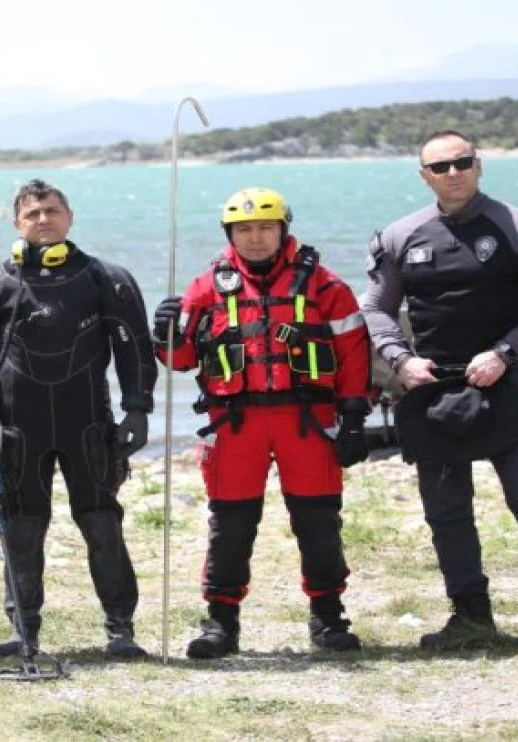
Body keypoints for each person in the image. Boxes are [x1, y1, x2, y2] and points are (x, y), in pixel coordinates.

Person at [360, 129, 518, 652]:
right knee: (446, 512)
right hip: (431, 389)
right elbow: (375, 308)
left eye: (463, 162)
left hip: (504, 381)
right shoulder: (399, 236)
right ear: (424, 176)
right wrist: (400, 359)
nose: (453, 173)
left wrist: (505, 352)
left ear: (479, 165)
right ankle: (471, 617)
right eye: (440, 167)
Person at [154, 187, 372, 658]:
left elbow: (354, 353)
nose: (255, 238)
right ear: (230, 234)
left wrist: (354, 418)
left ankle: (328, 618)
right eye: (245, 229)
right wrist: (163, 331)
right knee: (231, 524)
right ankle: (221, 623)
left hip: (307, 420)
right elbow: (180, 359)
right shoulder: (206, 287)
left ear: (283, 230)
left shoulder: (325, 285)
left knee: (318, 521)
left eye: (265, 228)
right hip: (235, 422)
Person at [0, 179, 158, 659]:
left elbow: (135, 348)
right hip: (20, 427)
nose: (43, 219)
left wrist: (137, 408)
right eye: (32, 213)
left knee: (102, 524)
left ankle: (120, 630)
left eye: (52, 211)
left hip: (89, 423)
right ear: (17, 223)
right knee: (20, 527)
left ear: (70, 217)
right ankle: (25, 631)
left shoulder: (106, 279)